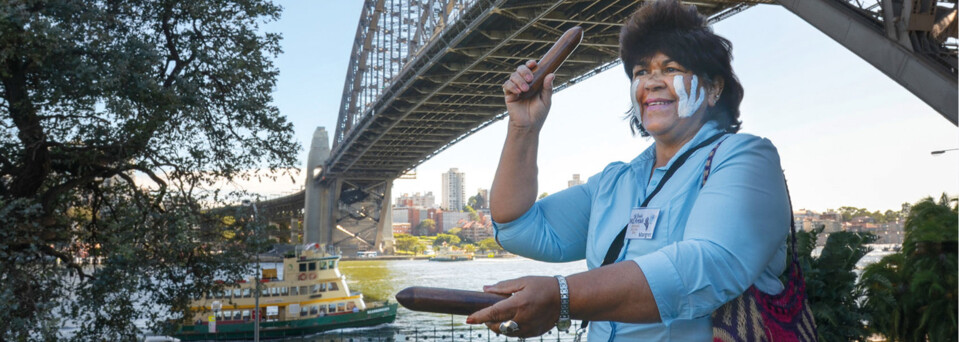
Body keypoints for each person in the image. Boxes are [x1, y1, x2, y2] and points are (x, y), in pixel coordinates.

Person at [465, 0, 790, 340]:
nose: (652, 82)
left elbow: (708, 264)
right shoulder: (614, 183)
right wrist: (523, 128)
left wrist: (562, 297)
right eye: (640, 72)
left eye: (671, 68)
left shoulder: (746, 158)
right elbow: (518, 226)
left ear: (713, 88)